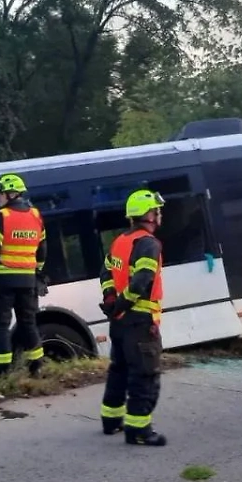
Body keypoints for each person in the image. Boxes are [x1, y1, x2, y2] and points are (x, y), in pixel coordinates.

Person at [99, 189, 168, 446]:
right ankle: (138, 430)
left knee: (119, 371)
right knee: (145, 375)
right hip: (140, 322)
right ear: (146, 214)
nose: (159, 215)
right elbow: (141, 282)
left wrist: (111, 301)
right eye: (156, 210)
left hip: (119, 323)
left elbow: (105, 271)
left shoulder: (120, 241)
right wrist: (120, 304)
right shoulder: (148, 243)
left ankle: (111, 421)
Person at [0, 174, 47, 378]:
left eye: (0, 194)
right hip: (28, 281)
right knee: (28, 323)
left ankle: (3, 373)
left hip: (3, 282)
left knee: (0, 325)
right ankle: (37, 367)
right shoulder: (35, 215)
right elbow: (42, 251)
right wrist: (36, 271)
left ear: (11, 194)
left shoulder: (2, 217)